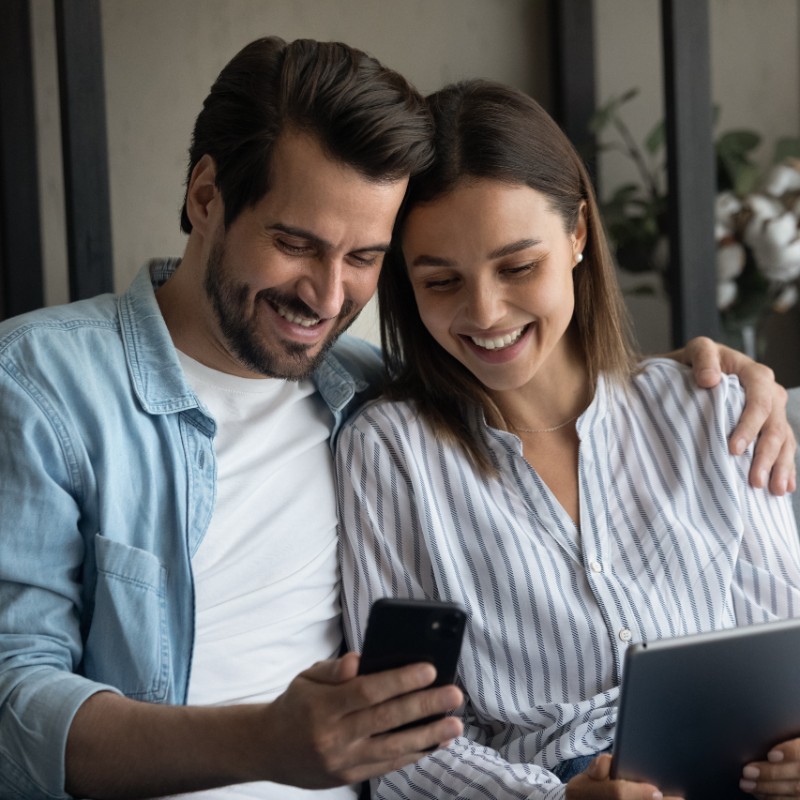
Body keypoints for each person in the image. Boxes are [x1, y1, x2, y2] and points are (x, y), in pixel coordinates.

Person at [0, 35, 790, 800]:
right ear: (205, 196)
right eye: (295, 243)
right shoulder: (46, 385)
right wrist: (265, 743)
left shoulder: (354, 389)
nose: (326, 296)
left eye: (364, 258)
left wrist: (715, 378)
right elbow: (12, 702)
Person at [336, 79, 800, 800]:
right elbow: (396, 745)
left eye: (518, 267)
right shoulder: (390, 452)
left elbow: (787, 649)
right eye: (440, 282)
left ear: (578, 234)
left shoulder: (714, 410)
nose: (485, 313)